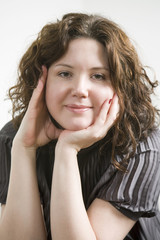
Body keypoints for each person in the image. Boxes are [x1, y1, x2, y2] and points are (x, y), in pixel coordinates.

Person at [0, 12, 160, 240]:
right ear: (41, 81)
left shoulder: (142, 146)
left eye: (98, 76)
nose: (80, 89)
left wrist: (67, 149)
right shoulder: (15, 137)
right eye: (64, 73)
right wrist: (24, 149)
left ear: (120, 87)